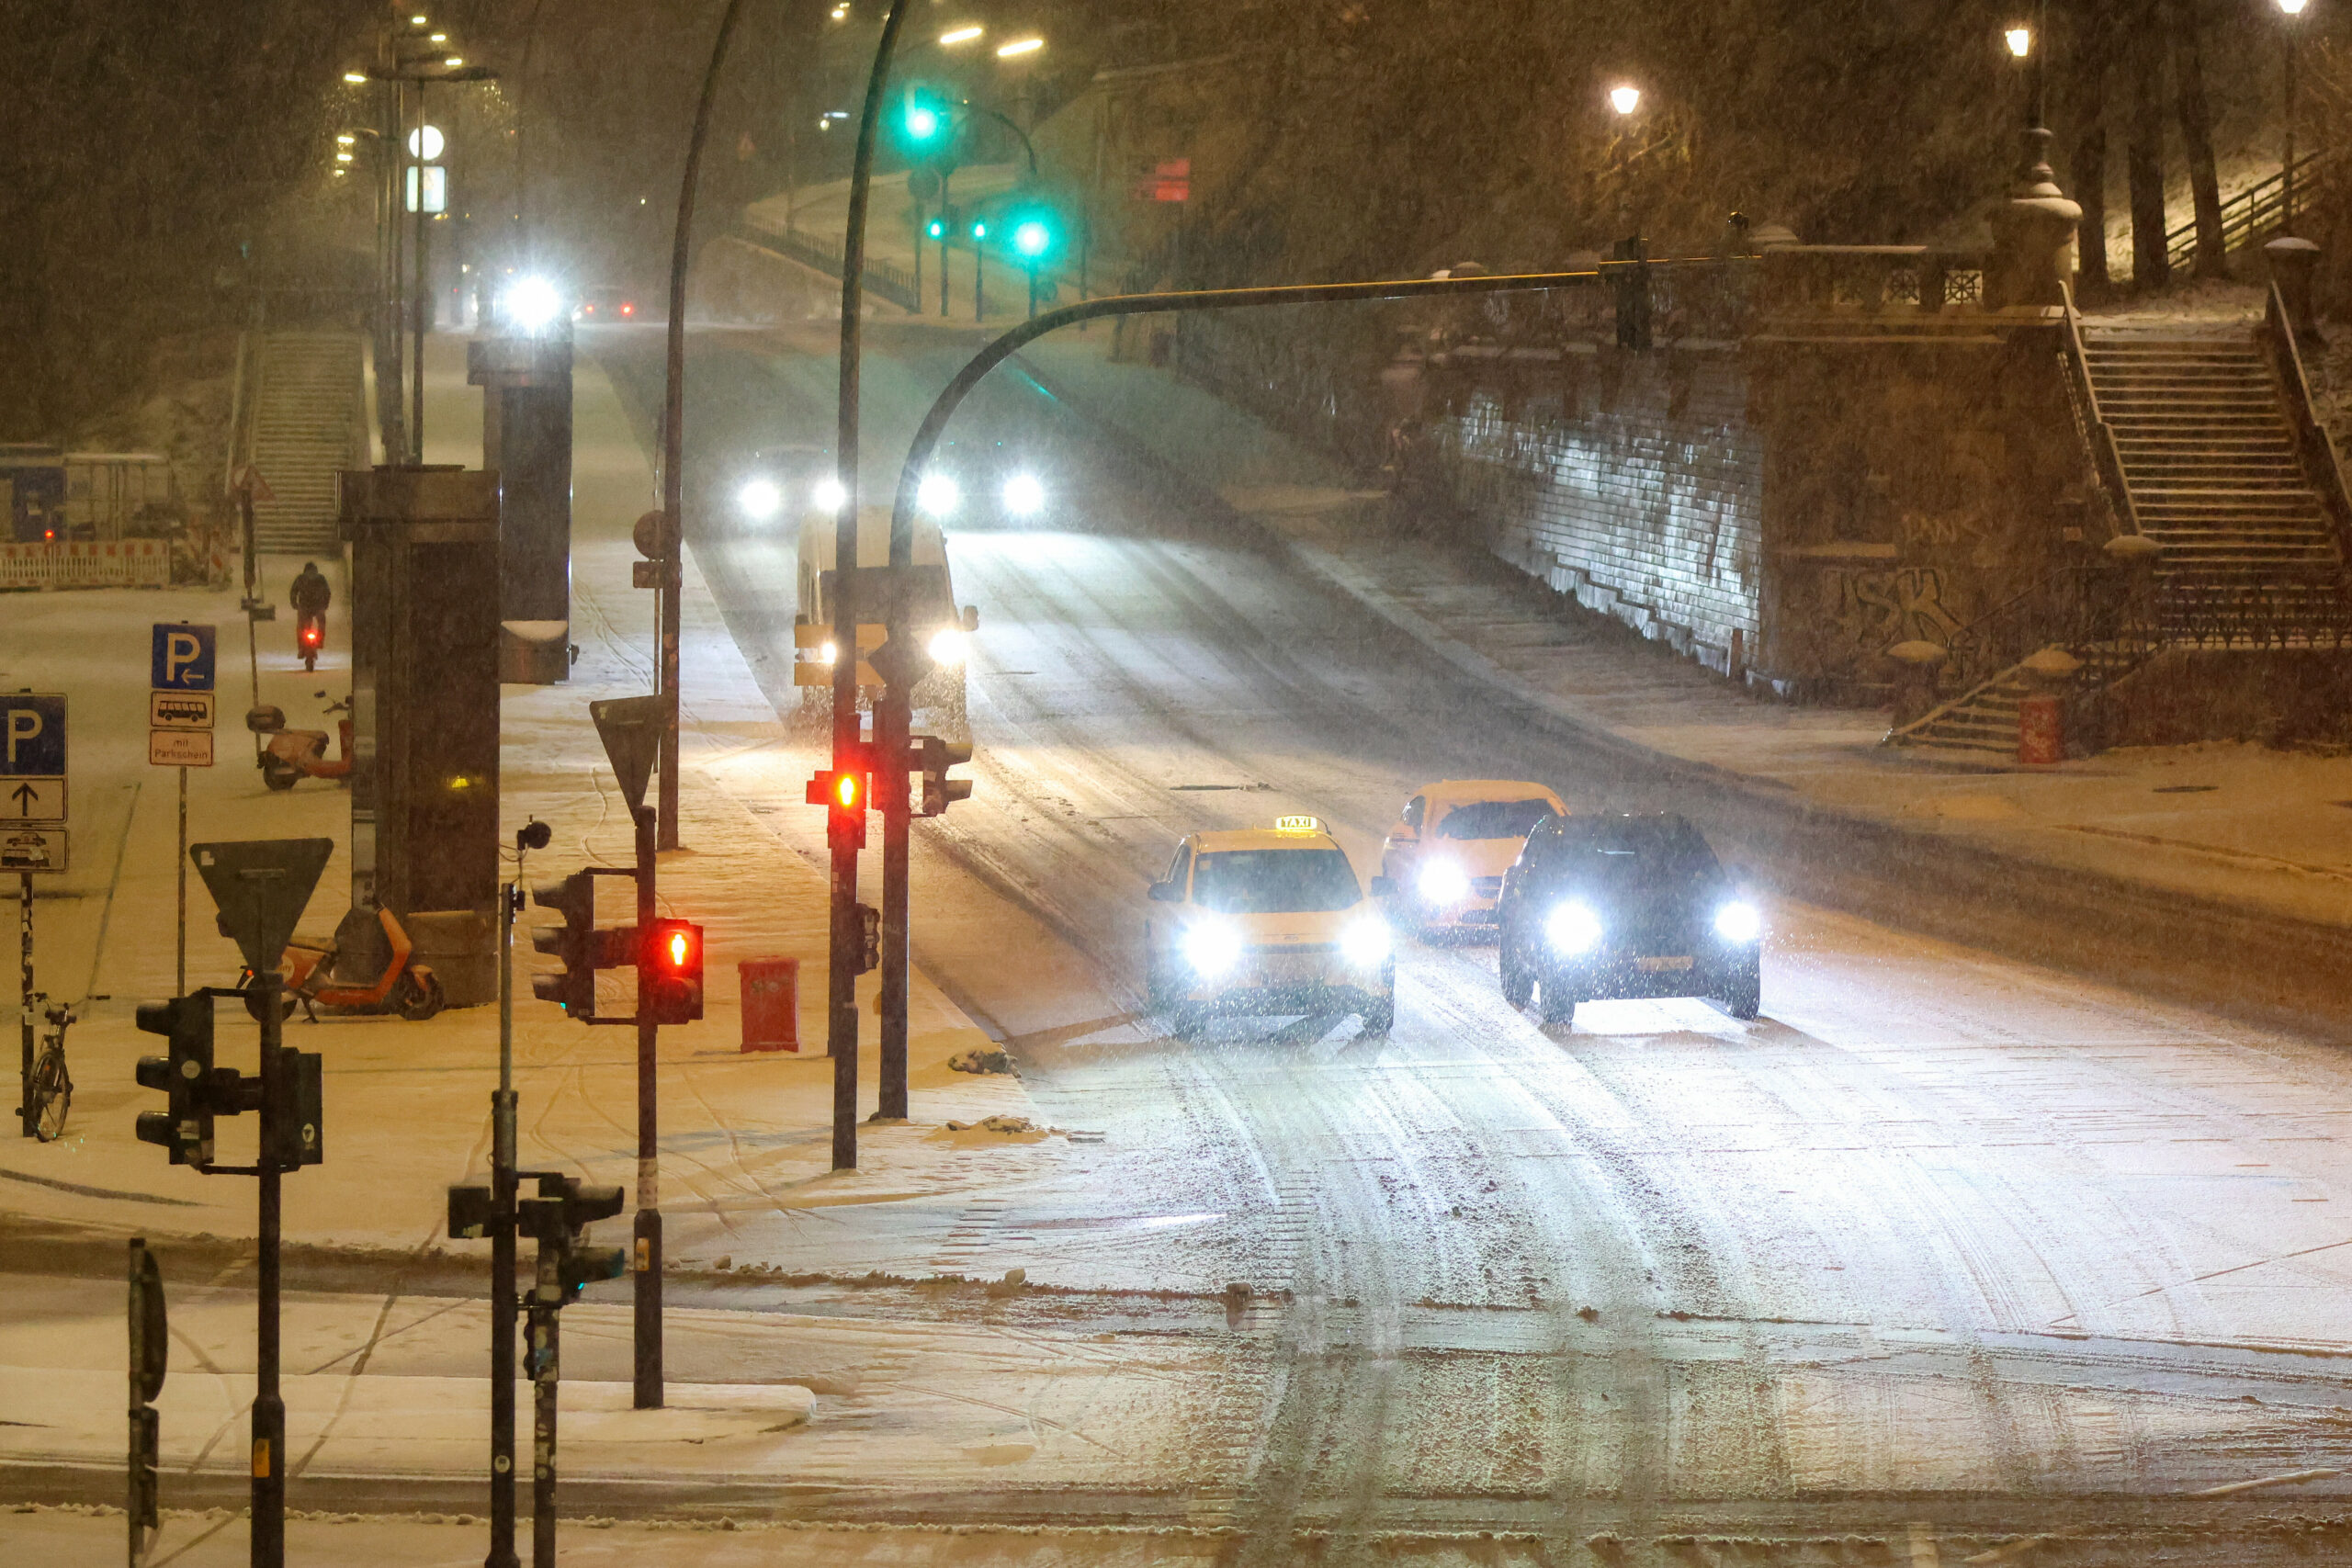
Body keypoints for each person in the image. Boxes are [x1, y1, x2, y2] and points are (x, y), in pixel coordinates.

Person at [290, 561, 332, 671]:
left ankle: (301, 647)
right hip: (318, 607)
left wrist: (295, 604)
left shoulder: (300, 578)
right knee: (321, 622)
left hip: (304, 607)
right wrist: (325, 604)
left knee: (301, 626)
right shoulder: (321, 579)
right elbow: (327, 592)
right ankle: (320, 641)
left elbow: (293, 592)